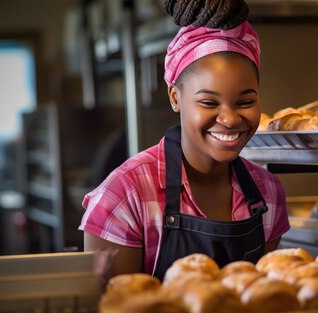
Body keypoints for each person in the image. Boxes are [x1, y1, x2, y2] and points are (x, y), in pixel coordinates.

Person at [79, 0, 290, 279]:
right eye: (209, 102)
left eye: (245, 101)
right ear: (175, 98)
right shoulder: (124, 195)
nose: (229, 119)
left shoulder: (268, 193)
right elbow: (112, 304)